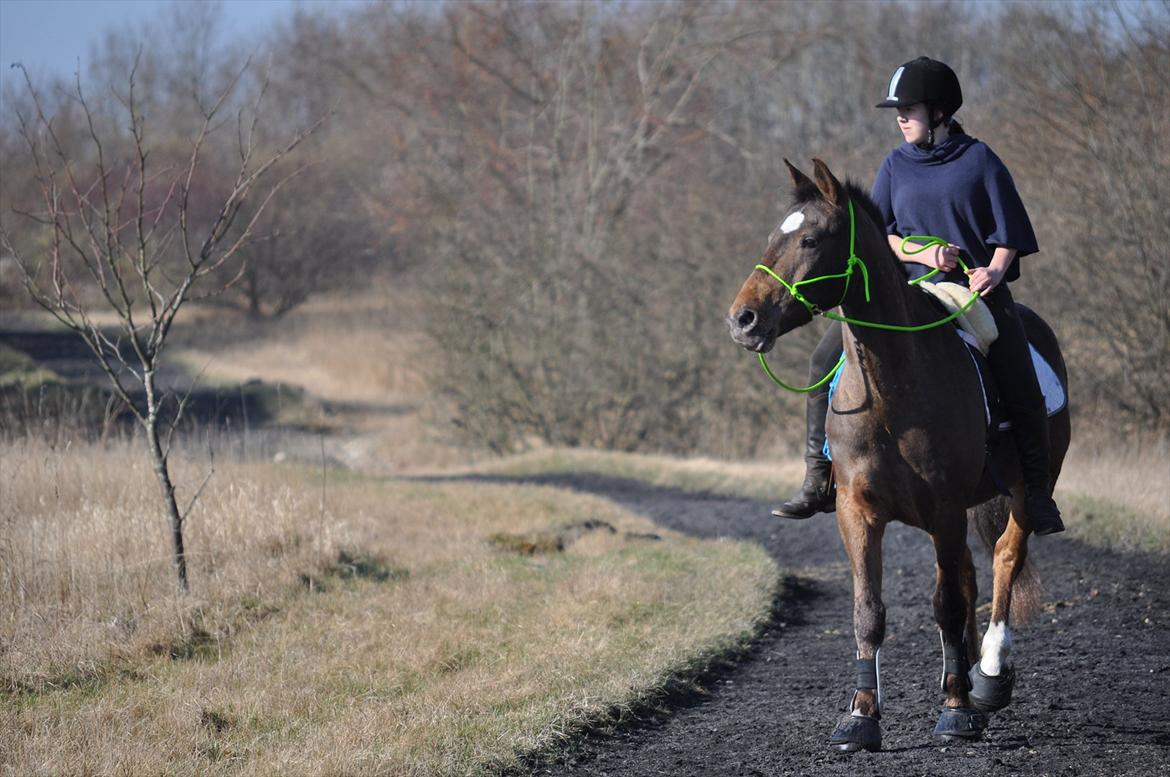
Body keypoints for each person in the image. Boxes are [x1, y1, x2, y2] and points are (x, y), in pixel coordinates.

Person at [772, 56, 1064, 536]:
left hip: (973, 293)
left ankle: (1037, 491)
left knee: (1021, 375)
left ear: (940, 111)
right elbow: (879, 235)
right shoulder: (895, 164)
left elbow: (1010, 232)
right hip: (907, 290)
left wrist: (993, 270)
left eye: (908, 108)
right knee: (823, 361)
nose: (900, 117)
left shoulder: (980, 160)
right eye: (898, 110)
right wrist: (921, 255)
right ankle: (818, 479)